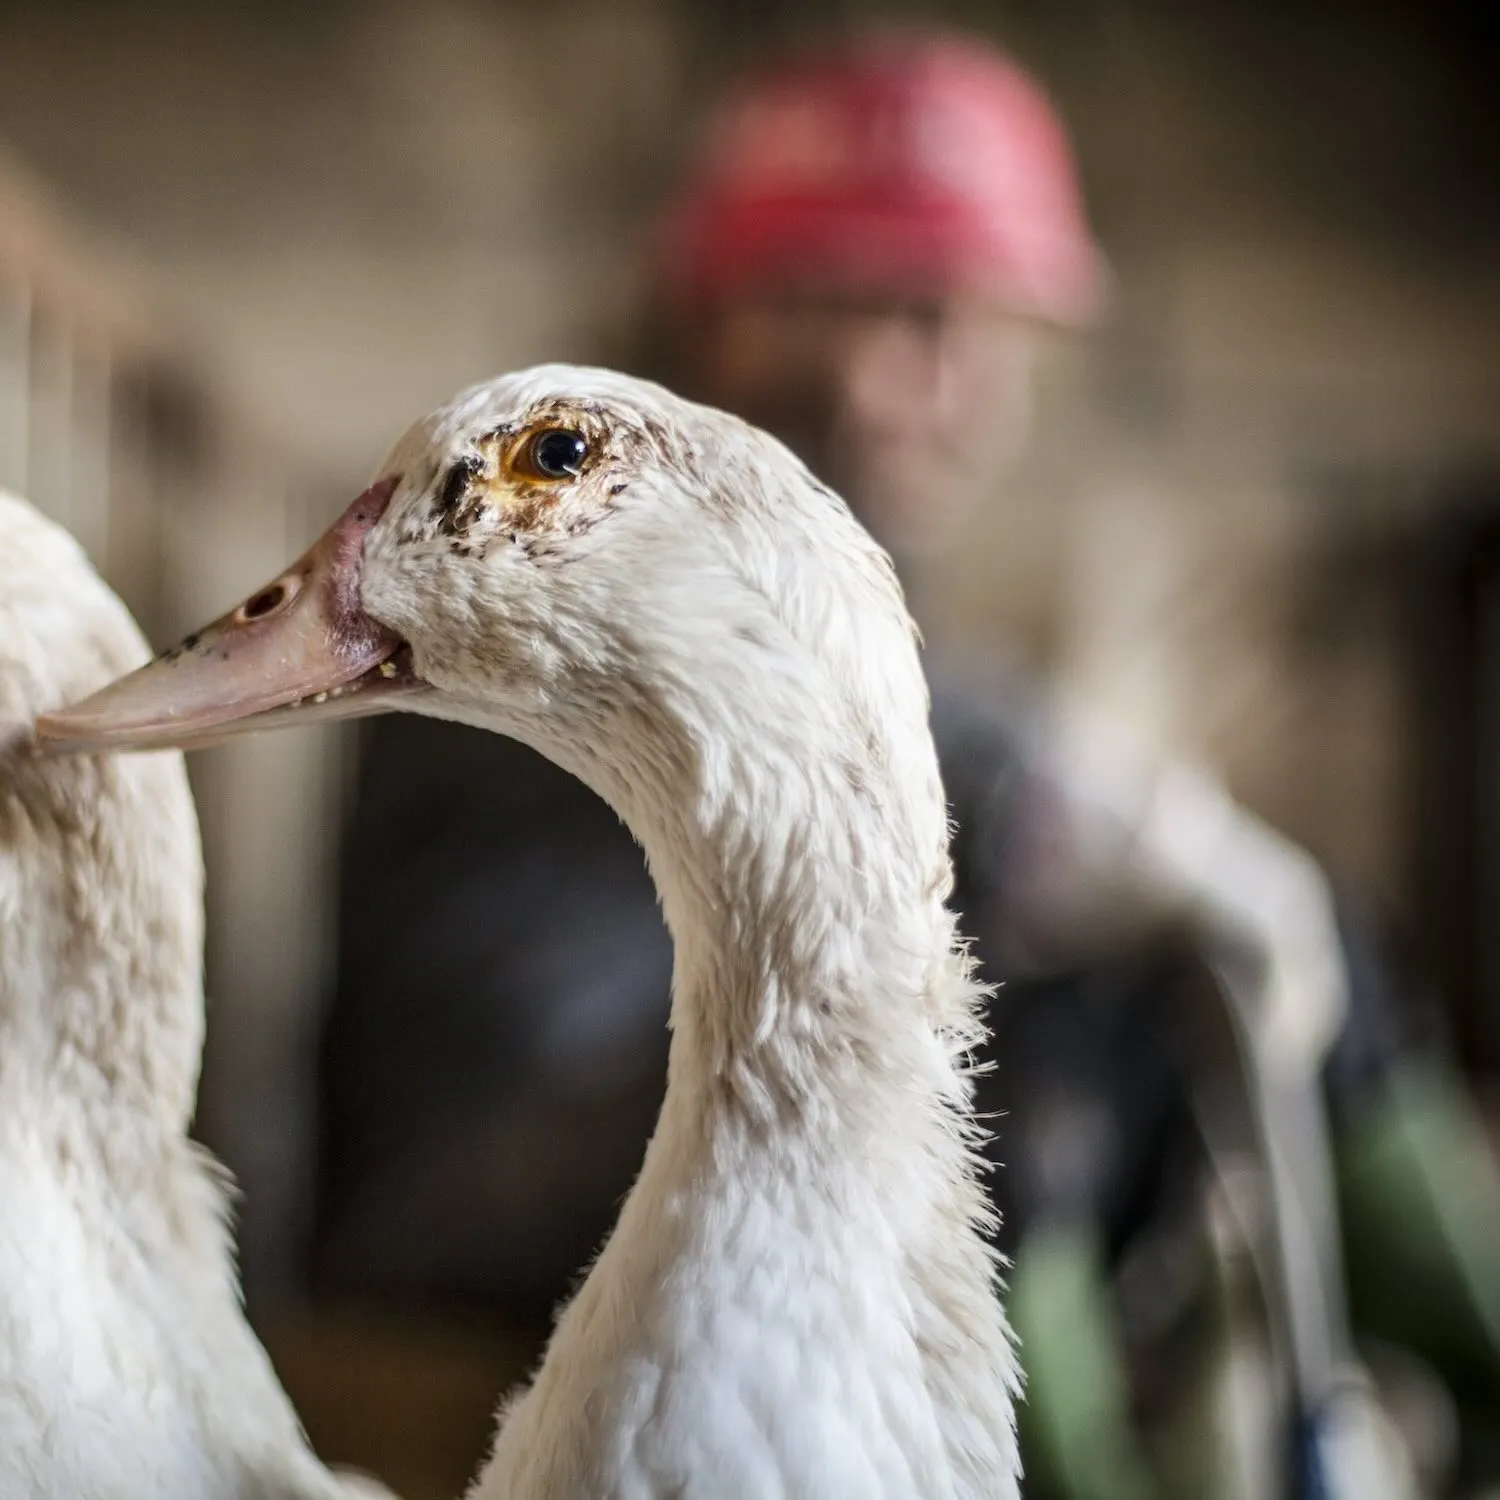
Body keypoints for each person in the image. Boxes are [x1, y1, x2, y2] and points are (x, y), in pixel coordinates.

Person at [315, 30, 1500, 1500]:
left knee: (1148, 1027)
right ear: (745, 314)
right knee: (1049, 1074)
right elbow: (963, 758)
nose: (971, 393)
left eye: (989, 339)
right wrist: (1166, 837)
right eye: (918, 322)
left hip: (659, 1107)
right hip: (485, 1180)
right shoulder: (586, 535)